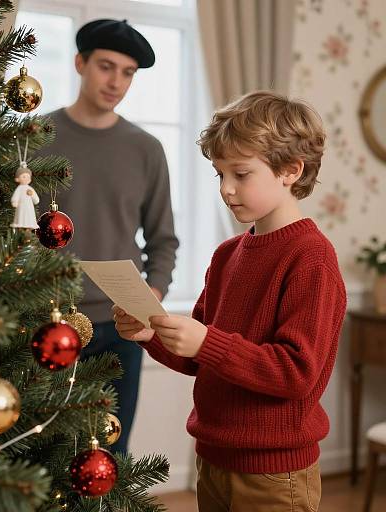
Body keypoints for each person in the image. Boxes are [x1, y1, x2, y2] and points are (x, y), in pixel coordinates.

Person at [113, 91, 347, 511]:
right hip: (214, 460)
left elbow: (296, 373)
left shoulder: (312, 257)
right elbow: (200, 359)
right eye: (219, 174)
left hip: (276, 476)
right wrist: (151, 334)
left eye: (241, 174)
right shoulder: (227, 255)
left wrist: (206, 342)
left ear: (291, 170)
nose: (226, 189)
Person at [36, 19, 179, 453]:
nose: (116, 81)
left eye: (128, 72)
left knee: (108, 455)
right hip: (49, 320)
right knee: (42, 454)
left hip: (121, 328)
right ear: (80, 63)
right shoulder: (37, 138)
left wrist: (150, 295)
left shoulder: (146, 149)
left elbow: (163, 240)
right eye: (106, 66)